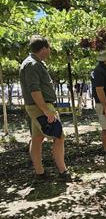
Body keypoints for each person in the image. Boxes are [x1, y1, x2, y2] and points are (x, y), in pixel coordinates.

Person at [19, 35, 71, 181]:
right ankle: (63, 172)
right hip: (40, 107)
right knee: (58, 136)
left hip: (37, 107)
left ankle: (40, 173)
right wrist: (46, 110)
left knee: (37, 138)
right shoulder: (32, 64)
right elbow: (34, 90)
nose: (49, 51)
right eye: (48, 48)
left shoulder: (33, 63)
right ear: (43, 48)